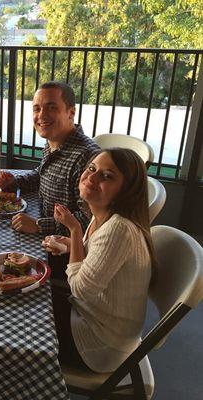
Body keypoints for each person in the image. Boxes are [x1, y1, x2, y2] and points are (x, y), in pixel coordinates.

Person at [44, 148, 153, 373]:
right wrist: (70, 244)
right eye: (92, 168)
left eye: (107, 176)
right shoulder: (104, 214)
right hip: (94, 316)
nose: (92, 177)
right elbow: (94, 254)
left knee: (24, 321)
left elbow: (80, 288)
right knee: (33, 290)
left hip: (100, 345)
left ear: (126, 190)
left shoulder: (119, 229)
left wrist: (74, 230)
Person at [0, 81, 99, 278]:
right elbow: (41, 174)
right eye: (37, 108)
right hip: (41, 237)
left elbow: (89, 222)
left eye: (51, 107)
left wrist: (38, 225)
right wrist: (14, 183)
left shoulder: (87, 158)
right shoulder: (55, 142)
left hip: (64, 260)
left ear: (71, 112)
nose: (41, 115)